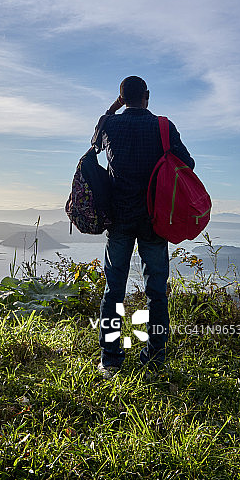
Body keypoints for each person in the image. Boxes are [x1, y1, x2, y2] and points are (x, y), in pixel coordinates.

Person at [92, 75, 195, 378]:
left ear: (121, 98)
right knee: (156, 293)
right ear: (147, 95)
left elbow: (94, 143)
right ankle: (155, 360)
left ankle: (110, 360)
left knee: (114, 292)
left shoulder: (108, 124)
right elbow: (186, 164)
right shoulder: (163, 126)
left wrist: (113, 107)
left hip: (120, 219)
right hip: (154, 220)